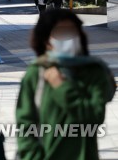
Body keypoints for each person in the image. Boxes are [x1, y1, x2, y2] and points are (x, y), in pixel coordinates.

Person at [16, 9, 115, 160]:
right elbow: (25, 126)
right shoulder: (36, 74)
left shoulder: (94, 72)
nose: (68, 38)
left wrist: (62, 86)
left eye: (72, 32)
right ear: (46, 41)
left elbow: (94, 116)